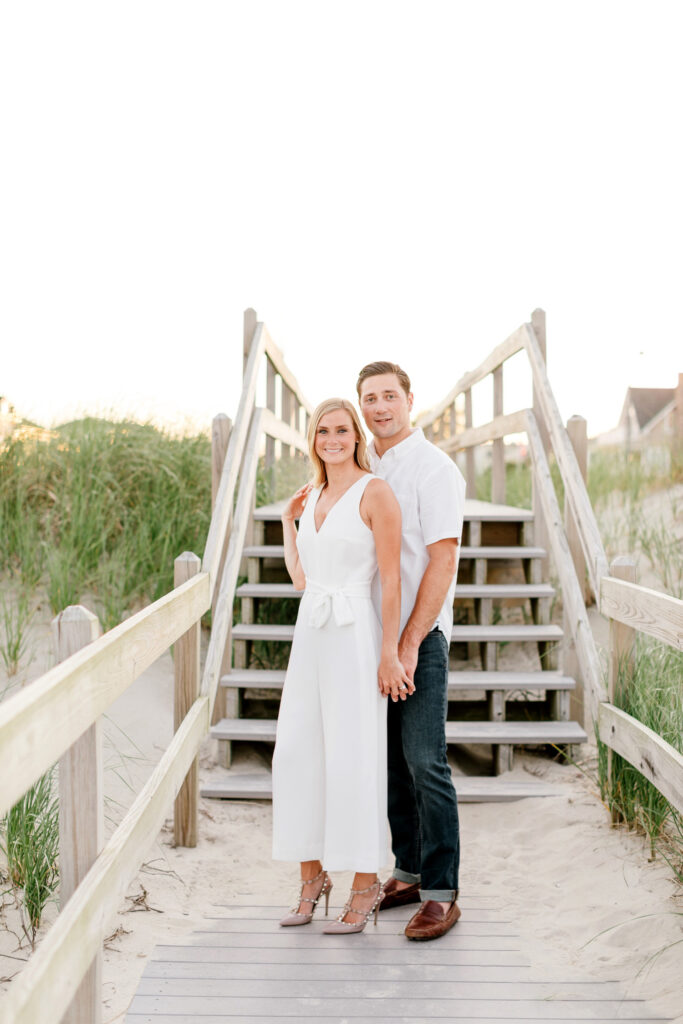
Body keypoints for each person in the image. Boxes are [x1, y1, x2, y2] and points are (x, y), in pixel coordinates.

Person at [271, 397, 409, 934]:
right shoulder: (314, 495)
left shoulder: (376, 493)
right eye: (323, 431)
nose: (332, 439)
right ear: (313, 438)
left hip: (355, 633)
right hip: (312, 633)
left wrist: (390, 653)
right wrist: (289, 521)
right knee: (301, 754)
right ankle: (311, 881)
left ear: (356, 436)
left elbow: (392, 581)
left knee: (355, 759)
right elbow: (302, 579)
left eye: (342, 430)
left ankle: (364, 883)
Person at [357, 361, 466, 941]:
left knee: (425, 760)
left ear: (409, 400)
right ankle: (408, 868)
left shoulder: (434, 469)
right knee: (391, 763)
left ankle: (442, 892)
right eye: (370, 398)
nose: (380, 407)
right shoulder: (364, 467)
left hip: (418, 639)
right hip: (368, 640)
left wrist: (406, 644)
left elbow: (442, 561)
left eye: (389, 396)